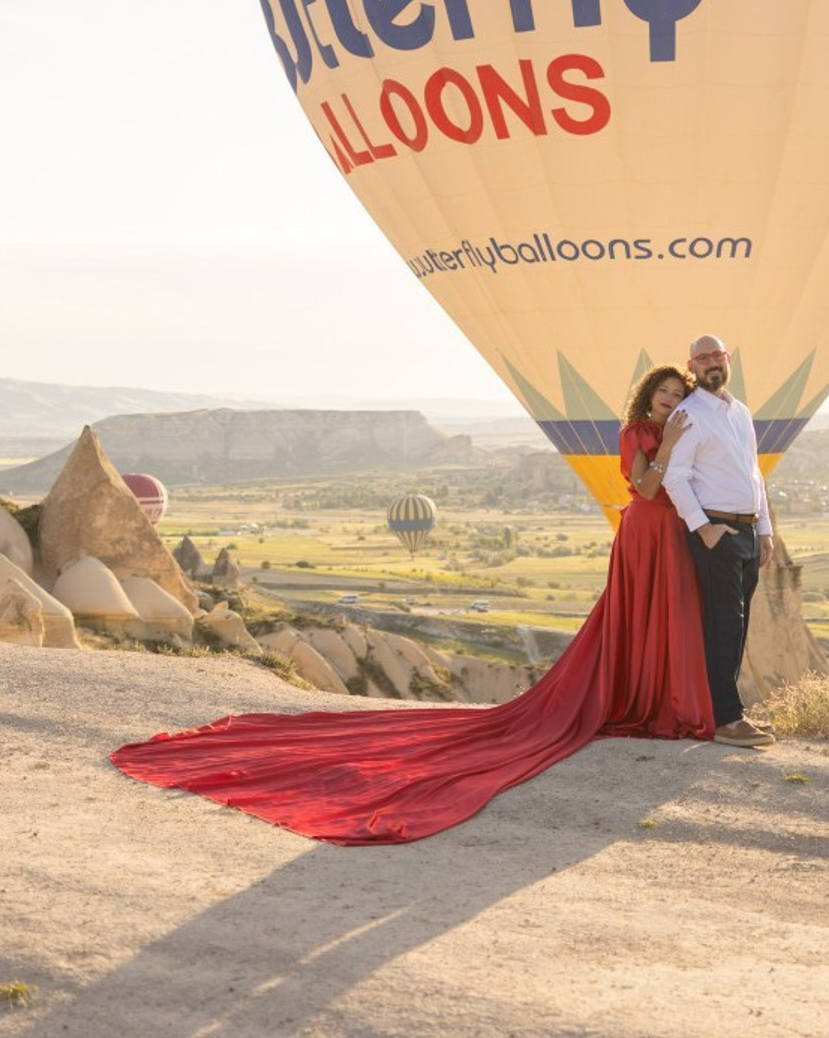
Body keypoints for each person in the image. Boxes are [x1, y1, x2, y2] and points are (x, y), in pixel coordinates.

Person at [111, 364, 715, 846]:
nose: (669, 400)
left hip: (674, 535)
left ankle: (661, 699)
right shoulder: (639, 434)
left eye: (675, 394)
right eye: (662, 392)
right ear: (648, 398)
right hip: (644, 530)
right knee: (637, 615)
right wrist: (672, 446)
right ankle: (634, 700)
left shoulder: (677, 429)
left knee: (670, 619)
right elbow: (648, 486)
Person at [662, 334, 777, 749]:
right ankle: (725, 719)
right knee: (725, 624)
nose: (712, 362)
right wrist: (703, 528)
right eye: (703, 357)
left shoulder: (739, 411)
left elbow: (754, 473)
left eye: (718, 355)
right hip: (717, 531)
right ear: (691, 365)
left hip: (745, 530)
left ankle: (725, 709)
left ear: (728, 361)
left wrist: (764, 529)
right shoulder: (690, 413)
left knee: (737, 623)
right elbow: (675, 477)